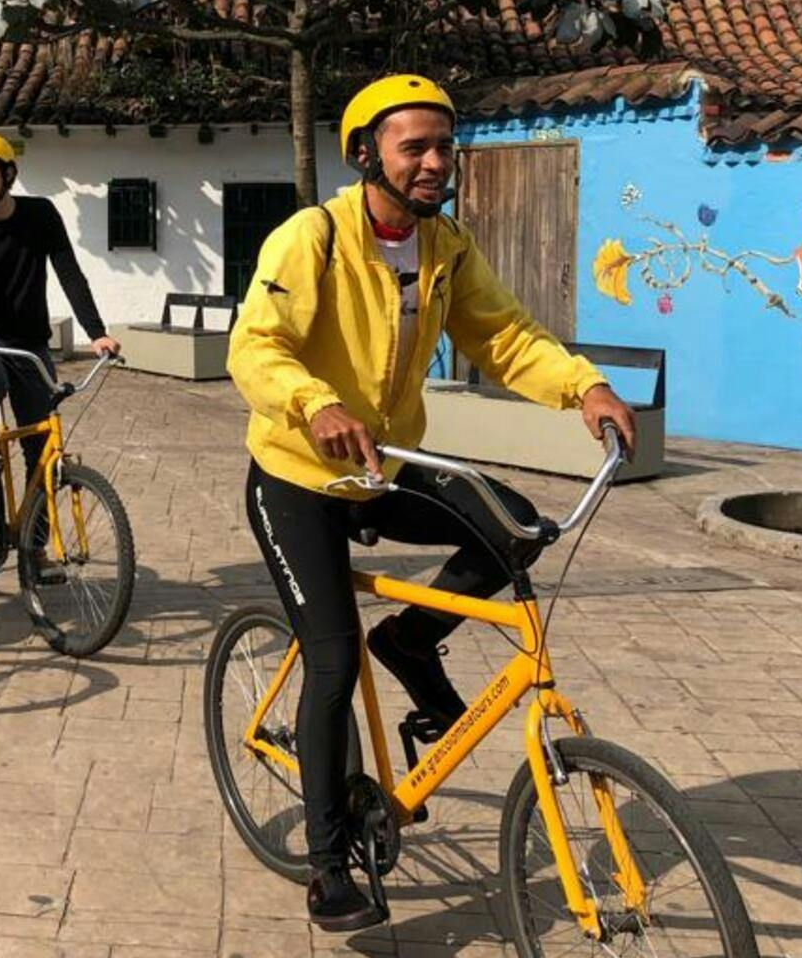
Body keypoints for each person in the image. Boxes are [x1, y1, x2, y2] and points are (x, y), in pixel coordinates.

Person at [226, 74, 637, 932]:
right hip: (300, 475)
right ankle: (328, 860)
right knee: (332, 662)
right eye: (414, 145)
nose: (434, 162)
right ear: (365, 153)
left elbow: (504, 336)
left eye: (443, 145)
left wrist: (584, 388)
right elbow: (255, 346)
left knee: (513, 526)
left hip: (383, 466)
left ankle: (412, 643)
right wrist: (315, 404)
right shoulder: (315, 238)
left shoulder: (445, 243)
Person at [0, 134, 120, 505]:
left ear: (9, 175)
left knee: (42, 452)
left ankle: (34, 552)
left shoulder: (41, 215)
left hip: (28, 339)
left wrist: (96, 333)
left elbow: (70, 273)